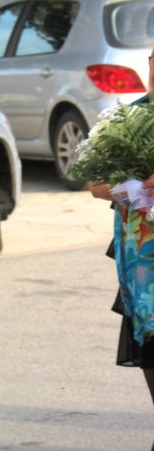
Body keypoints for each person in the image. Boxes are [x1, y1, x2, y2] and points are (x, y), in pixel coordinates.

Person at [89, 50, 154, 420]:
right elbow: (96, 184)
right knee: (149, 344)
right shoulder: (126, 120)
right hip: (142, 264)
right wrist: (131, 189)